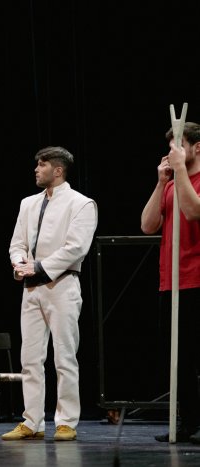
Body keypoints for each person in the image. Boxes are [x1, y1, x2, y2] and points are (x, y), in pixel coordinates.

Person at [1, 146, 97, 442]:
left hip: (62, 285)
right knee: (30, 358)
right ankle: (32, 421)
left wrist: (39, 266)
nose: (36, 169)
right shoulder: (28, 203)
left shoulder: (81, 203)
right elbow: (17, 243)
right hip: (31, 288)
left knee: (64, 356)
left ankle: (66, 421)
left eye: (42, 165)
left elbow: (76, 247)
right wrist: (19, 263)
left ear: (58, 170)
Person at [141, 122, 200, 443]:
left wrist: (179, 173)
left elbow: (192, 211)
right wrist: (161, 182)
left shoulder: (194, 182)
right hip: (172, 280)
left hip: (197, 277)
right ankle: (189, 422)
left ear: (197, 148)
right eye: (170, 147)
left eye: (178, 145)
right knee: (180, 359)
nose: (171, 152)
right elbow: (148, 224)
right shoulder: (170, 184)